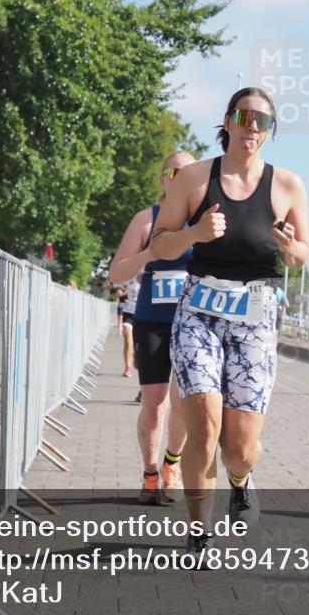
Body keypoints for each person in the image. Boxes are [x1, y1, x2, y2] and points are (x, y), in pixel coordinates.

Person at [149, 87, 309, 559]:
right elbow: (159, 245)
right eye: (245, 117)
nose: (253, 127)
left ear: (270, 130)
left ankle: (241, 479)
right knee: (203, 427)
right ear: (228, 121)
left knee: (239, 446)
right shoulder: (196, 179)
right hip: (198, 313)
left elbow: (302, 254)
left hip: (255, 320)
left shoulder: (288, 186)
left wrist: (289, 246)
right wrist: (194, 234)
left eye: (263, 121)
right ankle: (200, 535)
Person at [109, 152, 195, 504]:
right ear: (163, 179)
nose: (181, 177)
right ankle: (149, 472)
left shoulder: (205, 222)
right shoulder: (147, 219)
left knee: (184, 403)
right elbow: (116, 273)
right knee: (156, 403)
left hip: (192, 324)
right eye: (175, 171)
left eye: (190, 172)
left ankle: (171, 463)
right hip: (152, 322)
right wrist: (148, 255)